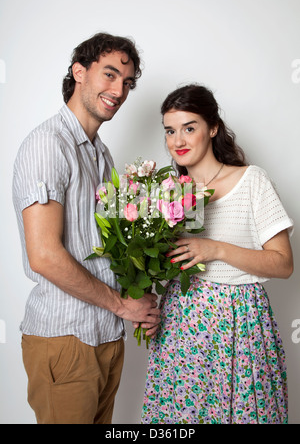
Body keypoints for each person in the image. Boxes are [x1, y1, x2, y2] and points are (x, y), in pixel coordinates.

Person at [12, 32, 160, 425]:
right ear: (79, 72)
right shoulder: (49, 145)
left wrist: (141, 294)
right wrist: (122, 305)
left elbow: (114, 247)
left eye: (127, 83)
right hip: (66, 337)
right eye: (109, 75)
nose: (119, 90)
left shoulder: (101, 154)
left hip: (107, 336)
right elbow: (43, 255)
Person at [141, 84, 294, 424]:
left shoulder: (251, 180)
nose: (178, 141)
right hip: (181, 324)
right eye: (170, 130)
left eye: (189, 128)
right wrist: (148, 306)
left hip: (240, 323)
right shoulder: (167, 195)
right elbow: (160, 268)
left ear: (213, 128)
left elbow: (284, 264)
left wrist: (216, 249)